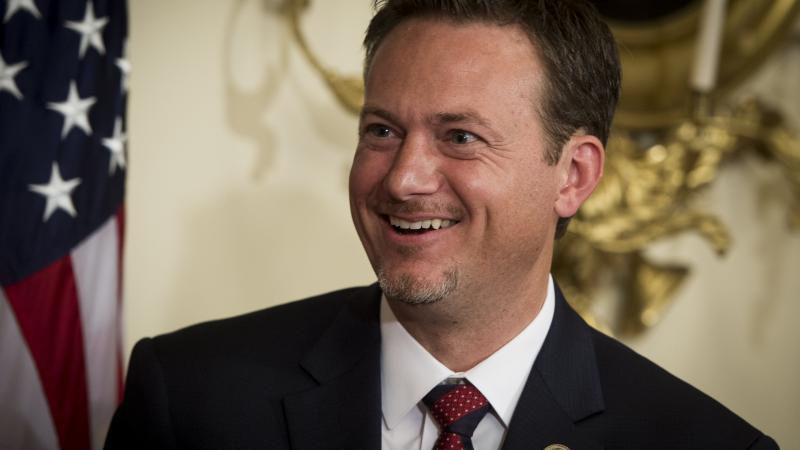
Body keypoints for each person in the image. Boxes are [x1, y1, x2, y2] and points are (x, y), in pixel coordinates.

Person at [105, 1, 778, 449]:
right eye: (381, 130)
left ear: (572, 176)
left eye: (459, 136)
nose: (402, 178)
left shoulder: (705, 442)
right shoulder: (189, 397)